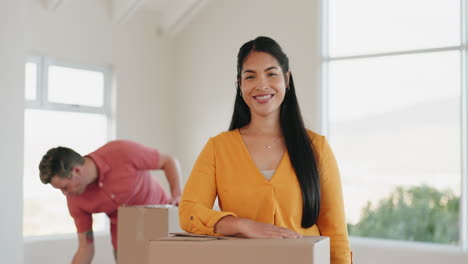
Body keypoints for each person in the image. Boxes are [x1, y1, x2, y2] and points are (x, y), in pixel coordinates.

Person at [179, 36, 351, 263]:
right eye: (250, 76)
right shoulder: (217, 148)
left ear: (286, 80)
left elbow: (336, 234)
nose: (262, 85)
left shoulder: (317, 148)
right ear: (240, 85)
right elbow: (189, 211)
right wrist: (241, 225)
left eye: (271, 74)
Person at [39, 140, 182, 264]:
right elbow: (85, 248)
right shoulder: (75, 200)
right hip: (126, 241)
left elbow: (168, 161)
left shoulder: (121, 152)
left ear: (76, 170)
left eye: (65, 187)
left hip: (162, 225)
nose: (65, 194)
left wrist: (177, 195)